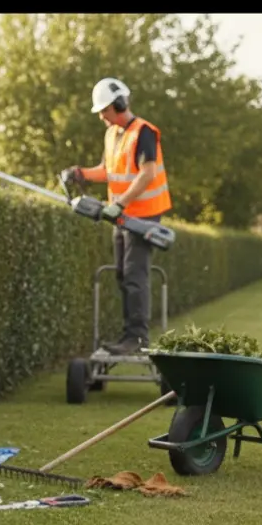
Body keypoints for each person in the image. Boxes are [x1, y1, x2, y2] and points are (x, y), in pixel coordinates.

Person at [62, 77, 172, 355]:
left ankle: (136, 338)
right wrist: (81, 174)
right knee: (123, 275)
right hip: (120, 216)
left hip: (143, 217)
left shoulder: (143, 132)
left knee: (135, 276)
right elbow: (108, 170)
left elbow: (146, 173)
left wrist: (120, 203)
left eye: (104, 110)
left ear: (119, 104)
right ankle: (129, 335)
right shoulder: (112, 134)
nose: (101, 116)